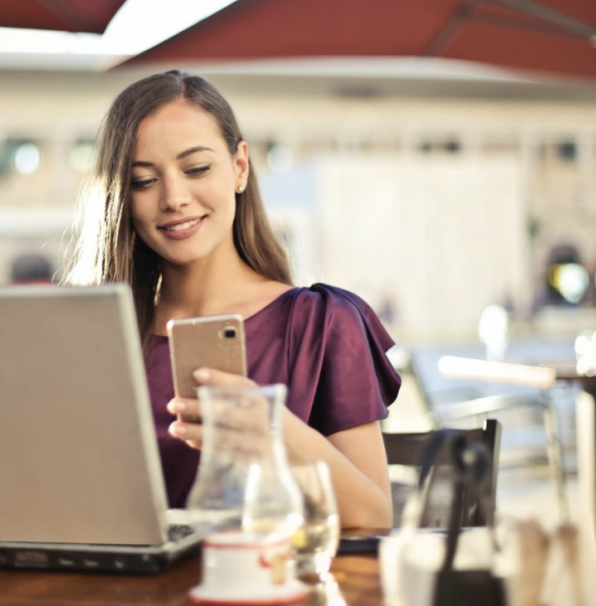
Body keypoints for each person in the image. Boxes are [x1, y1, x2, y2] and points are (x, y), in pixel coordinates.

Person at [65, 71, 400, 528]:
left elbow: (375, 515)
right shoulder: (94, 336)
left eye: (197, 169)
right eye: (144, 181)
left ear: (239, 167)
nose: (175, 198)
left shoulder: (321, 322)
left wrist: (273, 432)